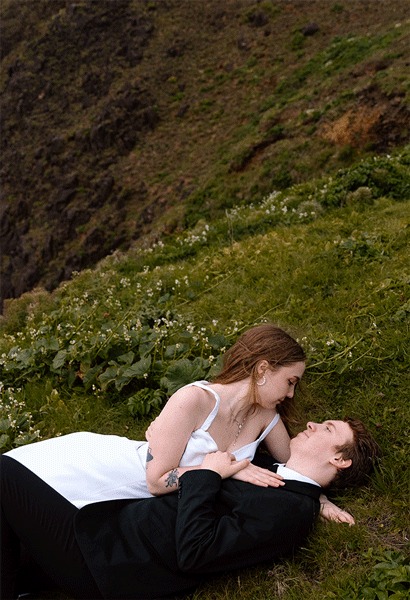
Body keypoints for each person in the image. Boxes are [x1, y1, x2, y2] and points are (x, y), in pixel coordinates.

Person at [0, 417, 380, 600]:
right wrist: (321, 498)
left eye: (328, 429)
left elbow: (196, 552)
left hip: (109, 564)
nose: (313, 423)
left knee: (4, 474)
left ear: (340, 460)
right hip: (105, 537)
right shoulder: (271, 471)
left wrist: (206, 475)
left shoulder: (290, 512)